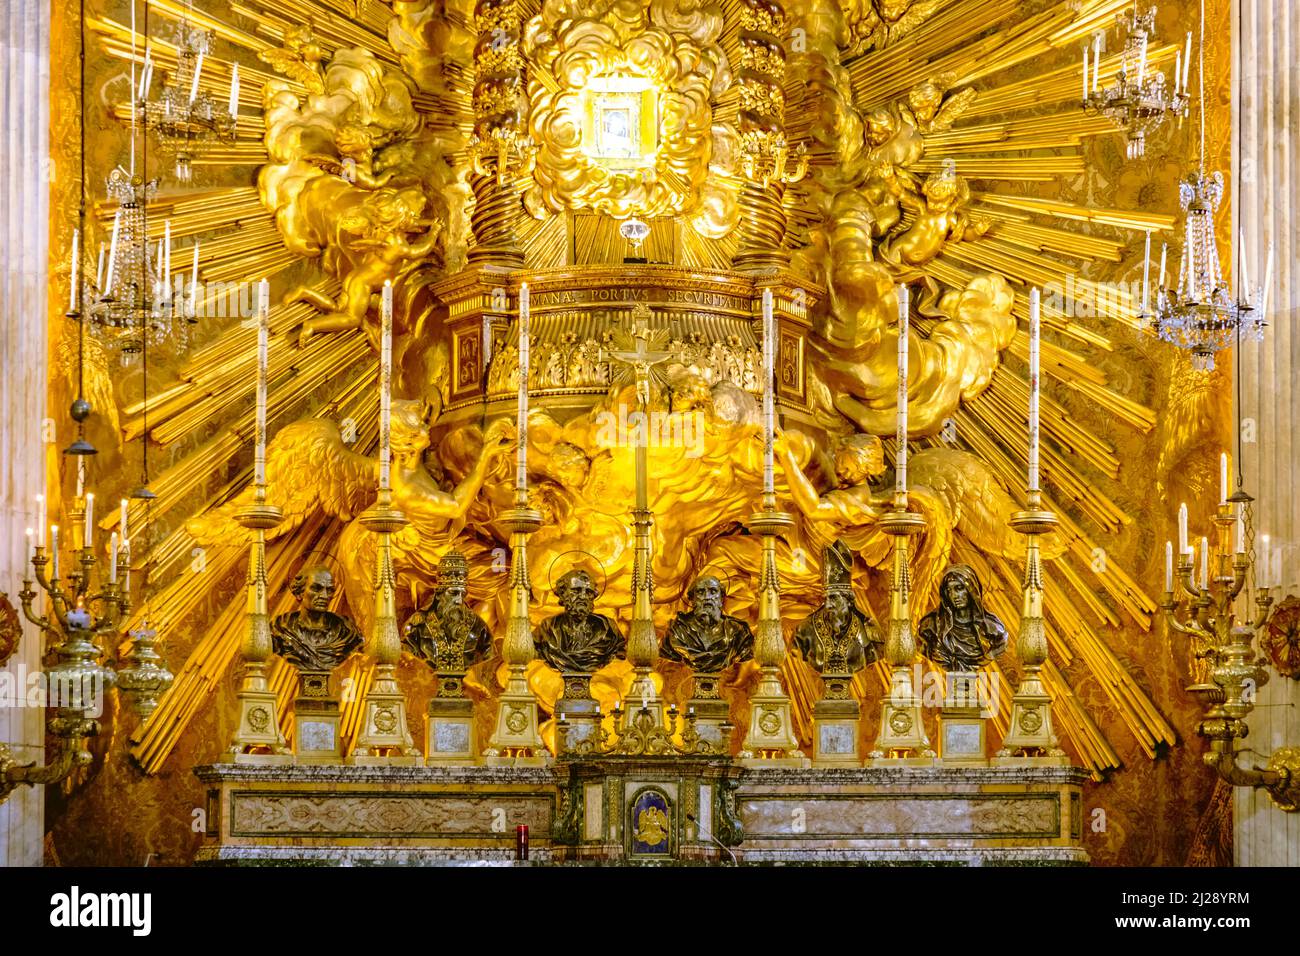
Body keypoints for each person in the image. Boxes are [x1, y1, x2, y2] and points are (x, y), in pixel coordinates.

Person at [793, 541, 882, 675]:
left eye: (834, 598)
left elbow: (876, 653)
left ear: (848, 600)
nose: (828, 605)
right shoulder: (804, 632)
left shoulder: (868, 633)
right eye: (826, 599)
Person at [403, 551, 491, 673]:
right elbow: (405, 662)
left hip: (467, 689)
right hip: (427, 688)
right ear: (440, 594)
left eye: (462, 594)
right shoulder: (417, 623)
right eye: (454, 593)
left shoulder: (478, 626)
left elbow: (488, 665)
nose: (458, 600)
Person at [270, 565, 365, 674]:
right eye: (316, 588)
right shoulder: (280, 628)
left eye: (329, 590)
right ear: (300, 592)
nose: (324, 595)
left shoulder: (347, 632)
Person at [917, 564, 1008, 671]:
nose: (954, 595)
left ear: (972, 590)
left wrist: (987, 657)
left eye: (959, 588)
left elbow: (1000, 644)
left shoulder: (993, 629)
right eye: (949, 590)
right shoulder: (931, 626)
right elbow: (920, 645)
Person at [533, 569, 625, 672]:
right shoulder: (547, 628)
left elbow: (620, 653)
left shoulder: (608, 629)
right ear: (562, 594)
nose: (583, 596)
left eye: (588, 592)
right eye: (576, 591)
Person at [660, 574, 755, 673]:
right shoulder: (677, 630)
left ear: (721, 598)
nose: (707, 597)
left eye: (713, 591)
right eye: (700, 592)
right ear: (692, 599)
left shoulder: (738, 632)